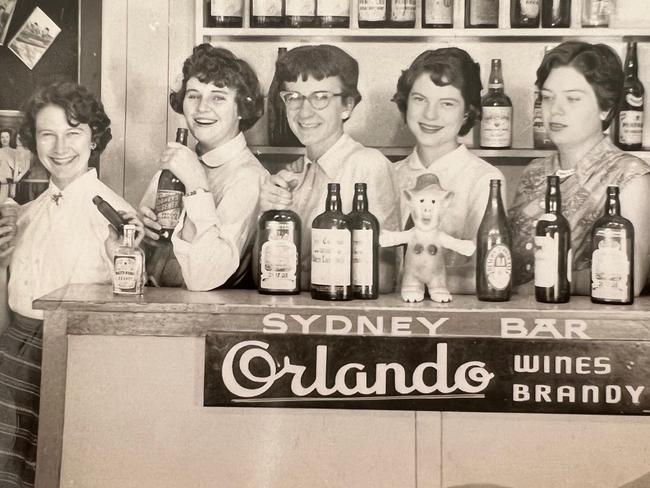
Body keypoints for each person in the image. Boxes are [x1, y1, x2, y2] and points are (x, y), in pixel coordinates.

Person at [0, 80, 144, 485]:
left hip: (77, 361)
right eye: (48, 134)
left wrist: (123, 257)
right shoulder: (24, 215)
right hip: (13, 360)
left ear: (94, 138)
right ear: (33, 141)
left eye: (73, 133)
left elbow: (128, 309)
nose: (60, 147)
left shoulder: (116, 215)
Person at [510, 41, 650, 296]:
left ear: (605, 107)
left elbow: (630, 278)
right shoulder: (534, 173)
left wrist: (531, 288)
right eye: (548, 98)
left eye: (573, 98)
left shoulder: (630, 177)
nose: (556, 110)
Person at [259, 44, 399, 292]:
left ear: (347, 105)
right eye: (293, 97)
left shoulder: (368, 166)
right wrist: (266, 216)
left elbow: (382, 278)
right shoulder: (291, 173)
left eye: (320, 97)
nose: (304, 112)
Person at [138, 44, 267, 291]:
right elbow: (143, 261)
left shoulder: (250, 178)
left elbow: (204, 278)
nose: (201, 108)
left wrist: (197, 185)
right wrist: (143, 235)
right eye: (193, 95)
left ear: (242, 107)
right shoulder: (178, 163)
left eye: (218, 97)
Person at [391, 48, 505, 293]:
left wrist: (406, 281)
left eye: (447, 103)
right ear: (406, 102)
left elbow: (484, 273)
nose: (430, 114)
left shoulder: (485, 180)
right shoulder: (389, 174)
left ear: (466, 112)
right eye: (420, 99)